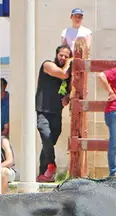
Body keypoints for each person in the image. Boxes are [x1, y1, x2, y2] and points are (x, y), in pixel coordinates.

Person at [34, 44, 72, 182]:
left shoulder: (67, 76)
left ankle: (44, 175)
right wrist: (69, 62)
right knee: (45, 133)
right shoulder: (48, 65)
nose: (63, 58)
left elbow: (67, 89)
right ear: (56, 55)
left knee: (48, 143)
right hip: (43, 110)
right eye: (61, 55)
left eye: (66, 56)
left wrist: (67, 97)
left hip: (56, 112)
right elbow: (63, 74)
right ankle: (51, 165)